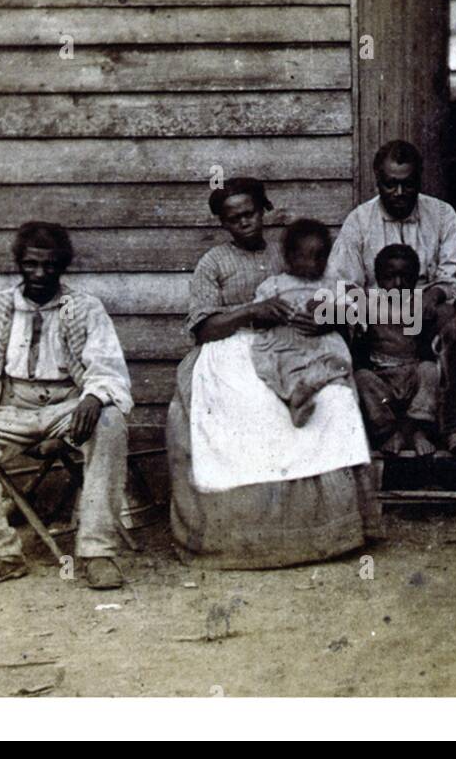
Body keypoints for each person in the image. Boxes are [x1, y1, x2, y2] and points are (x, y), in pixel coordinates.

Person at [167, 178, 377, 569]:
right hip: (231, 348)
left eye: (249, 213)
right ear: (224, 223)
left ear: (264, 210)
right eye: (233, 219)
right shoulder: (213, 263)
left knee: (333, 399)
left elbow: (332, 294)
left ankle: (329, 530)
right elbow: (202, 329)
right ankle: (243, 537)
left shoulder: (290, 253)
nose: (244, 223)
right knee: (252, 405)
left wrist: (325, 317)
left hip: (297, 343)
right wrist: (251, 311)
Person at [0, 222, 132, 591]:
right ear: (19, 264)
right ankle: (0, 555)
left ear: (63, 266)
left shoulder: (85, 308)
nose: (40, 274)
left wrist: (93, 398)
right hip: (11, 407)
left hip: (66, 406)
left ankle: (97, 552)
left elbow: (107, 368)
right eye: (31, 265)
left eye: (50, 265)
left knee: (110, 422)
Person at [328, 140, 456, 453]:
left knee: (452, 320)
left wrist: (434, 292)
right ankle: (372, 429)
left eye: (407, 184)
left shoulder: (441, 213)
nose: (399, 193)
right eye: (390, 184)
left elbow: (455, 273)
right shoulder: (359, 220)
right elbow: (342, 280)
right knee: (342, 322)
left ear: (419, 179)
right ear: (377, 180)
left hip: (426, 307)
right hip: (376, 308)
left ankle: (452, 424)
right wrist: (360, 304)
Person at [250, 219, 354, 427]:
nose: (313, 264)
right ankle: (297, 401)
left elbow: (351, 312)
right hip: (289, 343)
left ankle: (307, 392)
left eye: (320, 257)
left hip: (323, 343)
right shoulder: (275, 285)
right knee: (288, 368)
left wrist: (331, 314)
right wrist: (271, 312)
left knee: (339, 370)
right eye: (304, 257)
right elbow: (258, 314)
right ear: (289, 257)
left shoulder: (332, 285)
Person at [352, 244, 440, 456]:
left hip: (411, 374)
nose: (398, 283)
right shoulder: (368, 304)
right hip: (382, 377)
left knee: (430, 370)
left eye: (406, 277)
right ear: (379, 279)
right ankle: (391, 433)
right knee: (362, 377)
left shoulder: (419, 303)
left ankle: (417, 430)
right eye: (391, 277)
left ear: (416, 279)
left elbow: (427, 346)